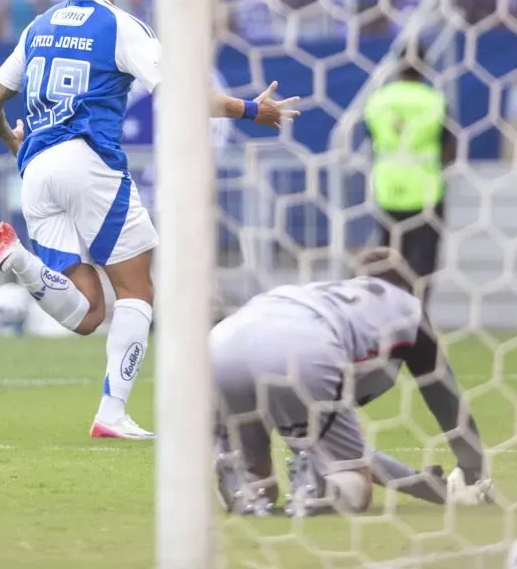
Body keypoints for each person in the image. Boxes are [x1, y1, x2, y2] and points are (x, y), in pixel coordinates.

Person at [0, 0, 300, 439]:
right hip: (89, 164)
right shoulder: (121, 28)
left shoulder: (38, 27)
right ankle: (112, 413)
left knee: (85, 312)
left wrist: (15, 145)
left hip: (37, 170)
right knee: (137, 290)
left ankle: (16, 259)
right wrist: (251, 109)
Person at [211, 247, 494, 516]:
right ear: (406, 285)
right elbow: (444, 396)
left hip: (221, 344)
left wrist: (423, 484)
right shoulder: (406, 307)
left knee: (262, 487)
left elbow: (352, 448)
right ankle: (320, 488)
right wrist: (473, 471)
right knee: (355, 484)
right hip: (300, 349)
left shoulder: (325, 295)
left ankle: (243, 486)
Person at [364, 43, 455, 310]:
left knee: (390, 259)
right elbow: (449, 146)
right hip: (426, 191)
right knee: (422, 264)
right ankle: (415, 318)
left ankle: (385, 314)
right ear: (424, 67)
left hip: (388, 188)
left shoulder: (378, 100)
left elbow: (371, 138)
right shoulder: (434, 101)